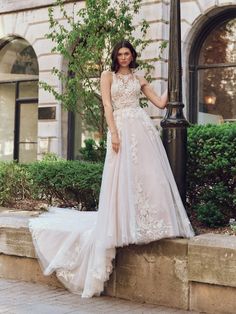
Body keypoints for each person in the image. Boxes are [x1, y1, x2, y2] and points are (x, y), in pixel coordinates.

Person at [29, 40, 194, 298]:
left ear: (133, 55)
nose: (124, 57)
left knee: (148, 177)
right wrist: (113, 134)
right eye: (120, 53)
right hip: (121, 128)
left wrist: (175, 82)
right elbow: (107, 105)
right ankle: (121, 225)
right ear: (115, 56)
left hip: (141, 129)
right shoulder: (108, 76)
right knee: (122, 178)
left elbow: (160, 103)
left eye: (127, 53)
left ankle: (149, 224)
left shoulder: (139, 76)